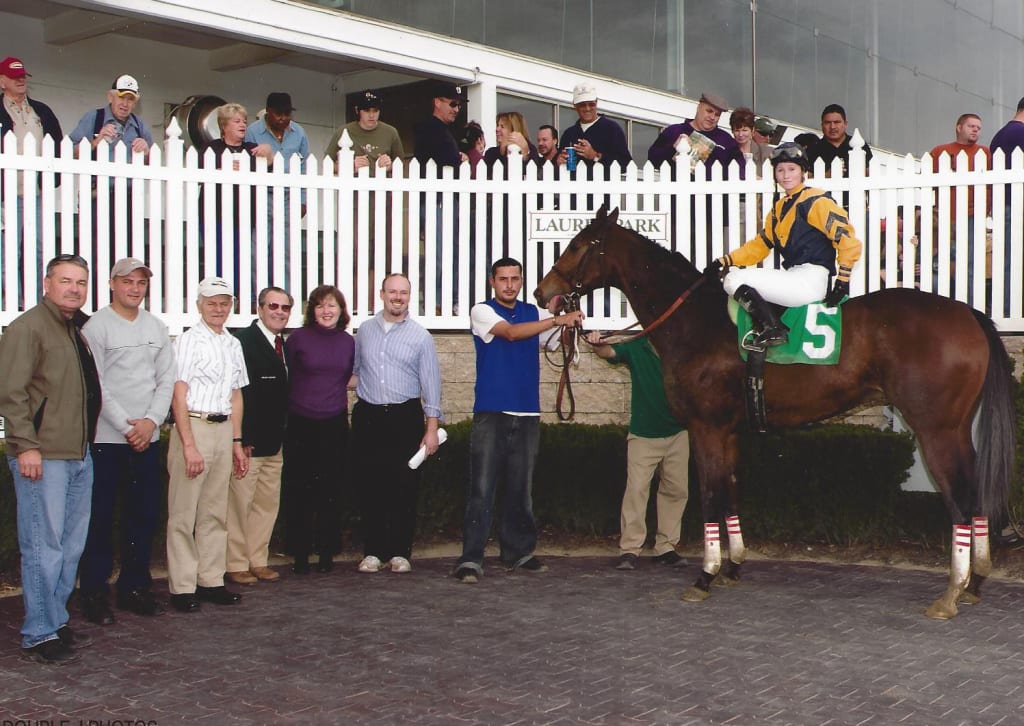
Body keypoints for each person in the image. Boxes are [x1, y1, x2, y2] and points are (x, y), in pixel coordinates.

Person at [453, 258, 584, 584]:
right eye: (503, 279)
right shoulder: (481, 311)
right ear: (492, 282)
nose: (509, 285)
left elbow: (557, 343)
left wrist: (568, 325)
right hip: (492, 412)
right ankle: (470, 558)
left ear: (521, 281)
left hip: (527, 412)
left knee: (520, 489)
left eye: (514, 279)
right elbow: (510, 334)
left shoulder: (536, 314)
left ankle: (519, 553)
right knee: (482, 489)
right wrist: (557, 319)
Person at [0, 253, 100, 664]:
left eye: (81, 282)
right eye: (66, 280)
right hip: (44, 457)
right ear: (46, 283)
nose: (74, 288)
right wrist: (26, 446)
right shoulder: (28, 328)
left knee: (69, 547)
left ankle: (55, 620)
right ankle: (39, 631)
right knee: (44, 545)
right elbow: (11, 392)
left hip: (78, 455)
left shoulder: (75, 328)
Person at [78, 258, 175, 625]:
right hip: (108, 440)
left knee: (143, 517)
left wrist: (151, 422)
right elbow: (96, 384)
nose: (135, 288)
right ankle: (94, 593)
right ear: (111, 284)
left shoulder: (157, 327)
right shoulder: (96, 327)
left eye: (141, 282)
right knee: (100, 520)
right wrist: (126, 426)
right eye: (127, 281)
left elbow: (166, 380)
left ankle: (134, 588)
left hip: (146, 439)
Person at [705, 142, 863, 348]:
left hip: (810, 280)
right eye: (780, 170)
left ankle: (772, 328)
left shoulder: (816, 200)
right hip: (794, 276)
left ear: (803, 171)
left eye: (792, 169)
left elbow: (847, 238)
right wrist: (724, 260)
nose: (785, 175)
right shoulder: (779, 209)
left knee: (733, 278)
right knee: (734, 273)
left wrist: (843, 279)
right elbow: (759, 246)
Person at [166, 276, 249, 613]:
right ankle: (183, 587)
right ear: (198, 304)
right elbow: (179, 395)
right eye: (212, 302)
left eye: (224, 302)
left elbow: (236, 395)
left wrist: (237, 441)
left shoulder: (233, 343)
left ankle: (211, 579)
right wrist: (188, 445)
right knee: (184, 513)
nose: (219, 308)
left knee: (215, 511)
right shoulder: (187, 341)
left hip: (222, 426)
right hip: (195, 427)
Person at [352, 273, 442, 574]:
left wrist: (431, 429)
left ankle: (401, 552)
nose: (398, 297)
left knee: (404, 486)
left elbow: (431, 387)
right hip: (369, 416)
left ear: (409, 296)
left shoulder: (420, 336)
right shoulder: (364, 331)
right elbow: (353, 374)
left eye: (403, 292)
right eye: (392, 292)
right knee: (369, 486)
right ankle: (373, 552)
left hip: (405, 417)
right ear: (382, 294)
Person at [585, 332, 690, 571]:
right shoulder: (635, 346)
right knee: (636, 491)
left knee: (676, 490)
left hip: (678, 432)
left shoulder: (679, 344)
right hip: (644, 434)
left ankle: (666, 547)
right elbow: (609, 353)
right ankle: (630, 549)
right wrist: (595, 344)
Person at [282, 285, 354, 574]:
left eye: (332, 305)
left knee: (330, 491)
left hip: (333, 423)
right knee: (299, 491)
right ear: (312, 310)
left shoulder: (349, 342)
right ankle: (299, 554)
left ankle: (327, 553)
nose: (327, 311)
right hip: (301, 422)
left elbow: (351, 375)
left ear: (341, 310)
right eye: (321, 305)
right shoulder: (298, 339)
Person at [226, 286, 292, 585]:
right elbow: (239, 394)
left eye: (285, 308)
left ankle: (257, 559)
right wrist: (241, 439)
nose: (279, 312)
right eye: (273, 306)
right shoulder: (243, 342)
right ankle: (236, 563)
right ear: (260, 308)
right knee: (240, 505)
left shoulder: (283, 344)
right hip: (250, 443)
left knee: (266, 505)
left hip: (274, 443)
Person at [0, 56, 62, 301]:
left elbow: (57, 145)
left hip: (35, 194)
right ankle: (9, 304)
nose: (20, 80)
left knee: (39, 250)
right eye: (15, 77)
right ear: (2, 81)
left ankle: (35, 303)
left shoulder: (42, 110)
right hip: (5, 196)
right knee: (8, 251)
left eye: (23, 76)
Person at [413, 80, 468, 311]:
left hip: (444, 201)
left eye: (459, 105)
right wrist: (459, 156)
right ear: (437, 102)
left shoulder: (444, 129)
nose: (456, 109)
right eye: (452, 104)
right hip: (436, 201)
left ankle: (444, 300)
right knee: (440, 255)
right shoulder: (430, 127)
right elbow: (447, 156)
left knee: (449, 252)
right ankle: (437, 302)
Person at [244, 92, 309, 279]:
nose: (283, 118)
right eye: (278, 114)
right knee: (258, 249)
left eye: (287, 114)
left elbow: (304, 167)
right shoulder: (253, 131)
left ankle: (285, 296)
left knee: (288, 250)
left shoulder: (299, 133)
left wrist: (303, 200)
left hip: (290, 196)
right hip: (263, 195)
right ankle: (259, 295)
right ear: (268, 112)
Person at [928, 113, 991, 300]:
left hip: (973, 215)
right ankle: (942, 306)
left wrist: (986, 210)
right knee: (942, 262)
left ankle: (972, 306)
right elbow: (926, 180)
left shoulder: (984, 153)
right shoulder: (941, 151)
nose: (975, 130)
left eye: (978, 128)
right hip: (946, 215)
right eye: (971, 126)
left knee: (972, 263)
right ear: (959, 127)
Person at [200, 103, 259, 280]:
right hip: (214, 216)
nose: (243, 125)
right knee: (216, 260)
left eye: (244, 121)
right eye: (237, 121)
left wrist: (268, 151)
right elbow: (199, 173)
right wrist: (221, 168)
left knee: (240, 262)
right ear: (224, 126)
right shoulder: (211, 149)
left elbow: (270, 164)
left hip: (244, 217)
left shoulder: (251, 149)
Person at [647, 92, 739, 177]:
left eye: (717, 115)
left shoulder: (726, 140)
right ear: (699, 107)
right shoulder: (674, 131)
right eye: (709, 111)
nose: (712, 117)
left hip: (712, 193)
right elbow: (652, 160)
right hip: (677, 192)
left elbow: (741, 169)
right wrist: (673, 148)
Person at [988, 97, 1024, 315]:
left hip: (1005, 203)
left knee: (1007, 259)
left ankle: (1007, 307)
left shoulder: (1000, 135)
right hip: (1017, 205)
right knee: (1015, 260)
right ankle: (1013, 309)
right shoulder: (1020, 133)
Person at [68, 74, 153, 161]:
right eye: (121, 97)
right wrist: (96, 141)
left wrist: (146, 153)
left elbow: (154, 164)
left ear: (135, 104)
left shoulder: (140, 126)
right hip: (99, 174)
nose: (125, 104)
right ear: (110, 97)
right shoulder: (93, 118)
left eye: (130, 99)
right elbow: (68, 154)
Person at [558, 82, 632, 177]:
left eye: (591, 104)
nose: (587, 108)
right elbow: (559, 168)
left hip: (603, 190)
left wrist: (595, 156)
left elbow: (626, 164)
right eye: (582, 105)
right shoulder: (569, 134)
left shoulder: (612, 129)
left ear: (596, 102)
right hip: (574, 190)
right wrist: (559, 162)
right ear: (574, 105)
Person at [324, 89, 404, 173]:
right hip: (352, 185)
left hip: (381, 185)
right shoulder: (343, 131)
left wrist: (389, 165)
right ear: (357, 110)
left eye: (375, 110)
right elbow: (327, 163)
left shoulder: (391, 132)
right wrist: (350, 167)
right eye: (366, 111)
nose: (371, 115)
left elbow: (401, 164)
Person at [806, 103, 873, 176]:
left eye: (837, 122)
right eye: (827, 123)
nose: (832, 127)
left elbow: (872, 175)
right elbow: (804, 179)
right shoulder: (813, 149)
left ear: (845, 124)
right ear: (822, 125)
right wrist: (827, 175)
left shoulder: (860, 145)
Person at [730, 107, 773, 177]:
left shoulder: (767, 153)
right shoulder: (728, 153)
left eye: (744, 130)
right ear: (732, 131)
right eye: (737, 130)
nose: (740, 134)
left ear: (752, 130)